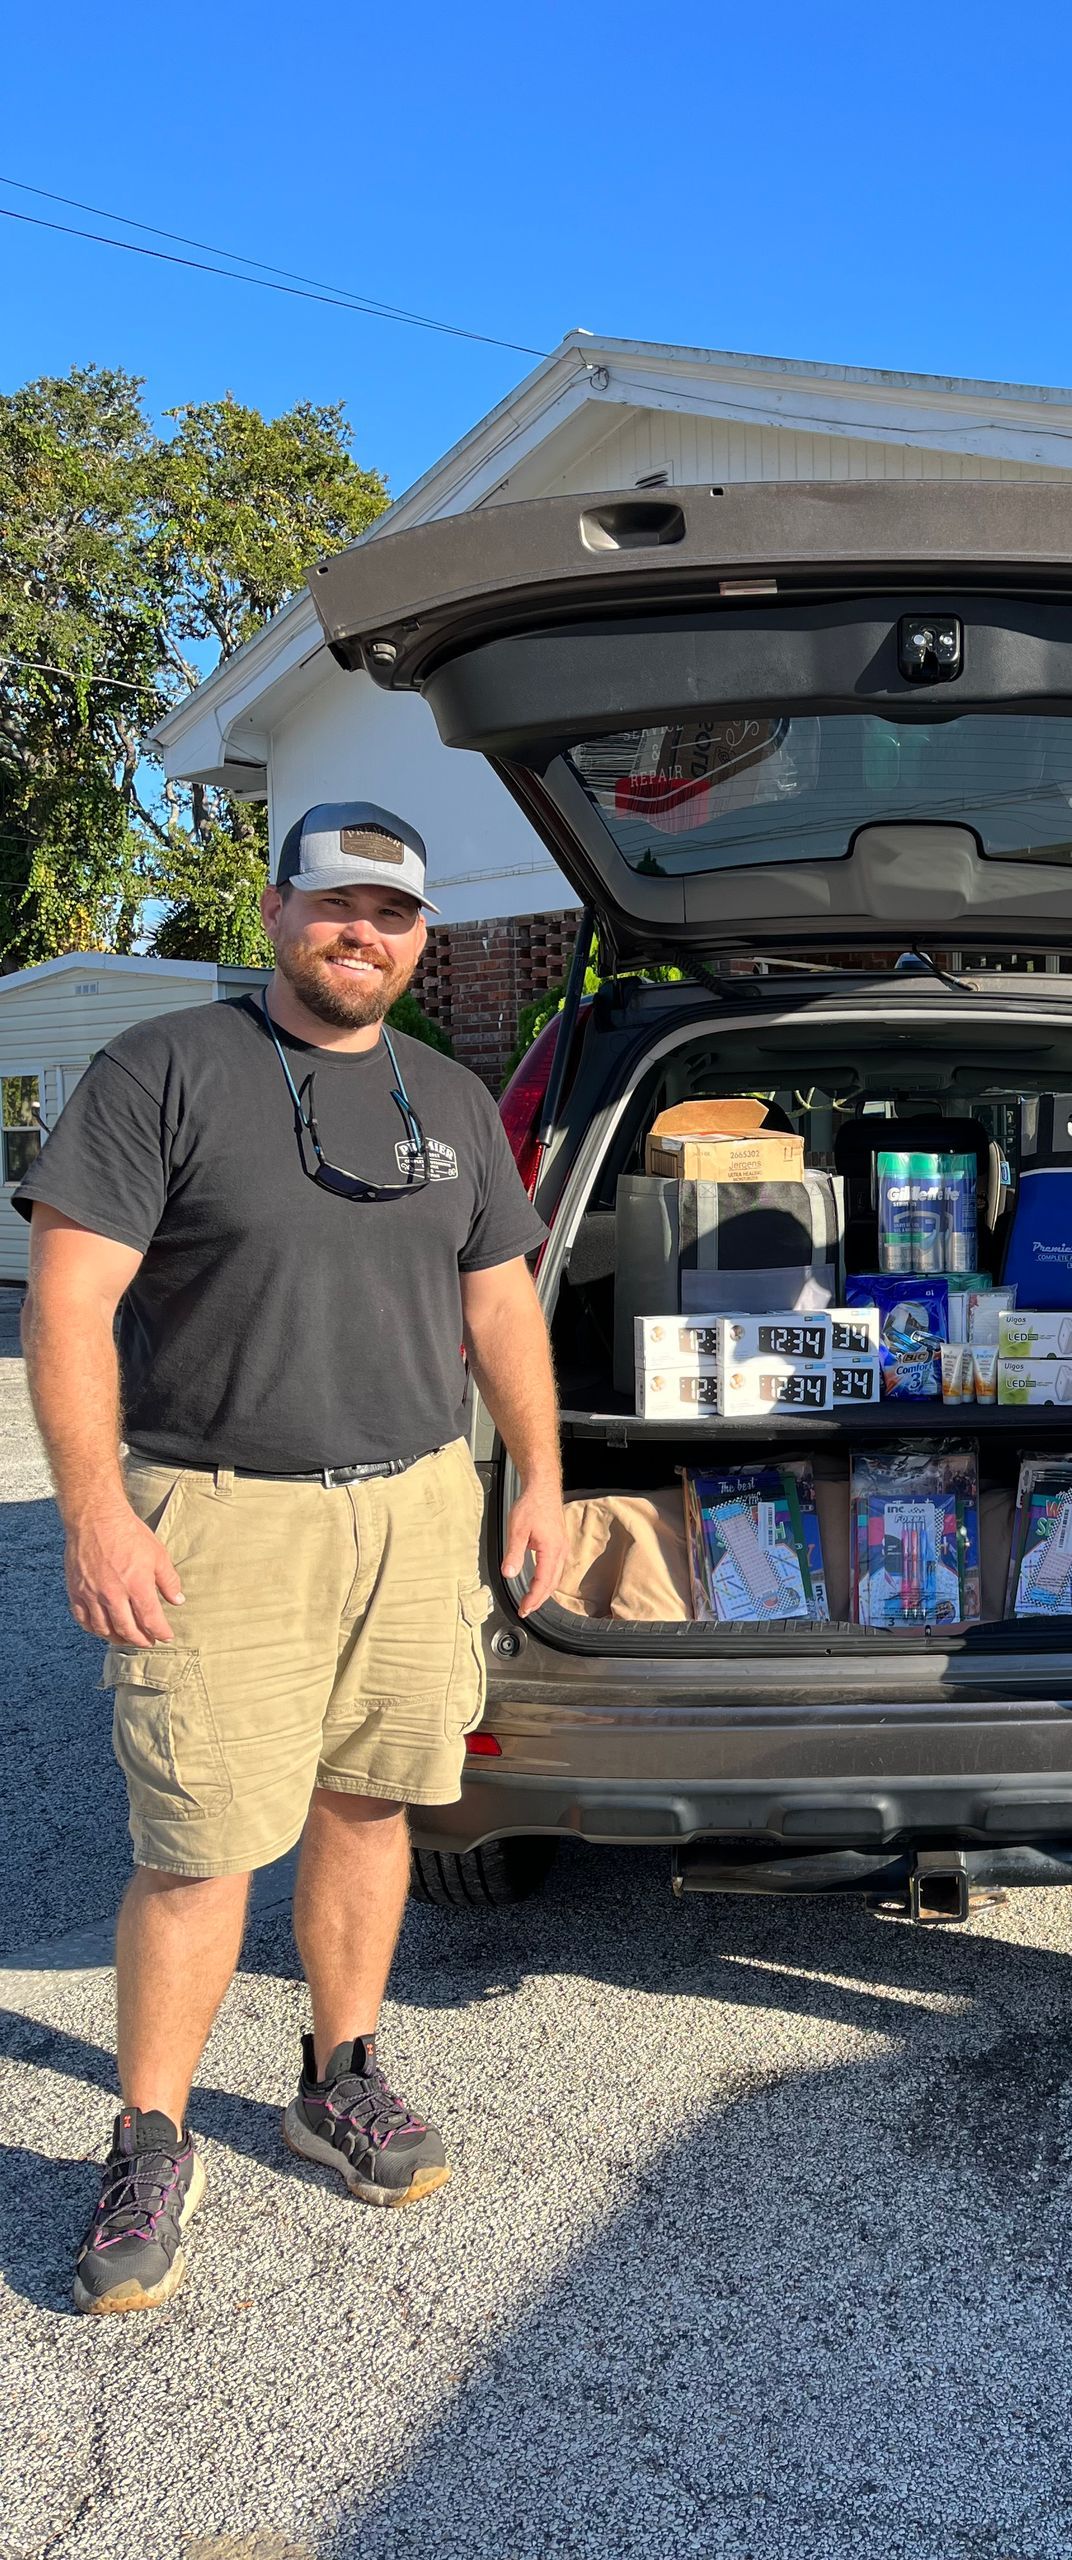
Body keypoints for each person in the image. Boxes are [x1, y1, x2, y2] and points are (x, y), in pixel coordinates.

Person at [19, 803, 562, 2316]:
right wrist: (95, 1512)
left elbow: (503, 1306)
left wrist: (539, 1484)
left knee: (372, 1803)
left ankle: (339, 2075)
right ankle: (148, 2140)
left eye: (391, 916)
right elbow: (66, 1308)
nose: (361, 935)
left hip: (411, 1506)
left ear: (420, 939)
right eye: (336, 907)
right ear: (273, 912)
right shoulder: (163, 1075)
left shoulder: (449, 1096)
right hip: (220, 1511)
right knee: (198, 1847)